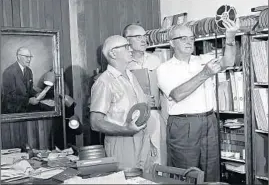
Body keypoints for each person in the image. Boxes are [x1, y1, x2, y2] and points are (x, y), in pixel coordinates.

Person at [157, 19, 239, 181]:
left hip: (209, 120)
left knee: (211, 170)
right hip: (183, 124)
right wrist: (205, 74)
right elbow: (177, 94)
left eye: (191, 38)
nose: (189, 42)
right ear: (172, 43)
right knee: (186, 172)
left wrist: (230, 37)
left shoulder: (202, 60)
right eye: (183, 38)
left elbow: (228, 61)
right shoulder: (164, 69)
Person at [90, 35, 152, 171]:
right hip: (121, 142)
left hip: (142, 138)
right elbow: (95, 122)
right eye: (126, 47)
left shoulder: (131, 76)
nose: (131, 50)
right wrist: (126, 130)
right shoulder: (104, 82)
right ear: (113, 53)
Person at [123, 24, 167, 167]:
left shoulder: (156, 60)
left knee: (159, 157)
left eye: (144, 36)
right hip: (134, 118)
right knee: (139, 158)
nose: (143, 40)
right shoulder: (123, 63)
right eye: (138, 37)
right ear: (126, 40)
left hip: (156, 115)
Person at [1, 47, 41, 113]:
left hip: (25, 108)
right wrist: (28, 101)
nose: (29, 59)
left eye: (30, 57)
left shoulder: (29, 71)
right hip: (12, 110)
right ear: (19, 57)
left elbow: (29, 90)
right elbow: (9, 97)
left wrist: (36, 94)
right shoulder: (9, 72)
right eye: (27, 57)